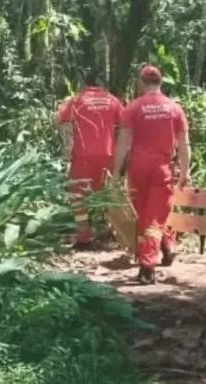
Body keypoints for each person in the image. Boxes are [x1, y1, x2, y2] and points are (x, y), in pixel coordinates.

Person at [113, 64, 190, 284]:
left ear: (140, 82)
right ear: (161, 82)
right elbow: (184, 144)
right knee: (154, 217)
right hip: (161, 167)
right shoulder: (174, 108)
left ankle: (167, 245)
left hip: (137, 167)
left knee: (147, 216)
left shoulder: (133, 108)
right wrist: (184, 172)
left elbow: (123, 143)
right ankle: (148, 266)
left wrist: (116, 172)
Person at [54, 70, 123, 250]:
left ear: (85, 83)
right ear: (102, 83)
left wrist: (66, 140)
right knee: (109, 194)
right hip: (108, 154)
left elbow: (58, 120)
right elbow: (125, 123)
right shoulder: (112, 100)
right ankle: (115, 233)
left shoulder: (78, 99)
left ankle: (84, 235)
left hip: (83, 155)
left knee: (77, 193)